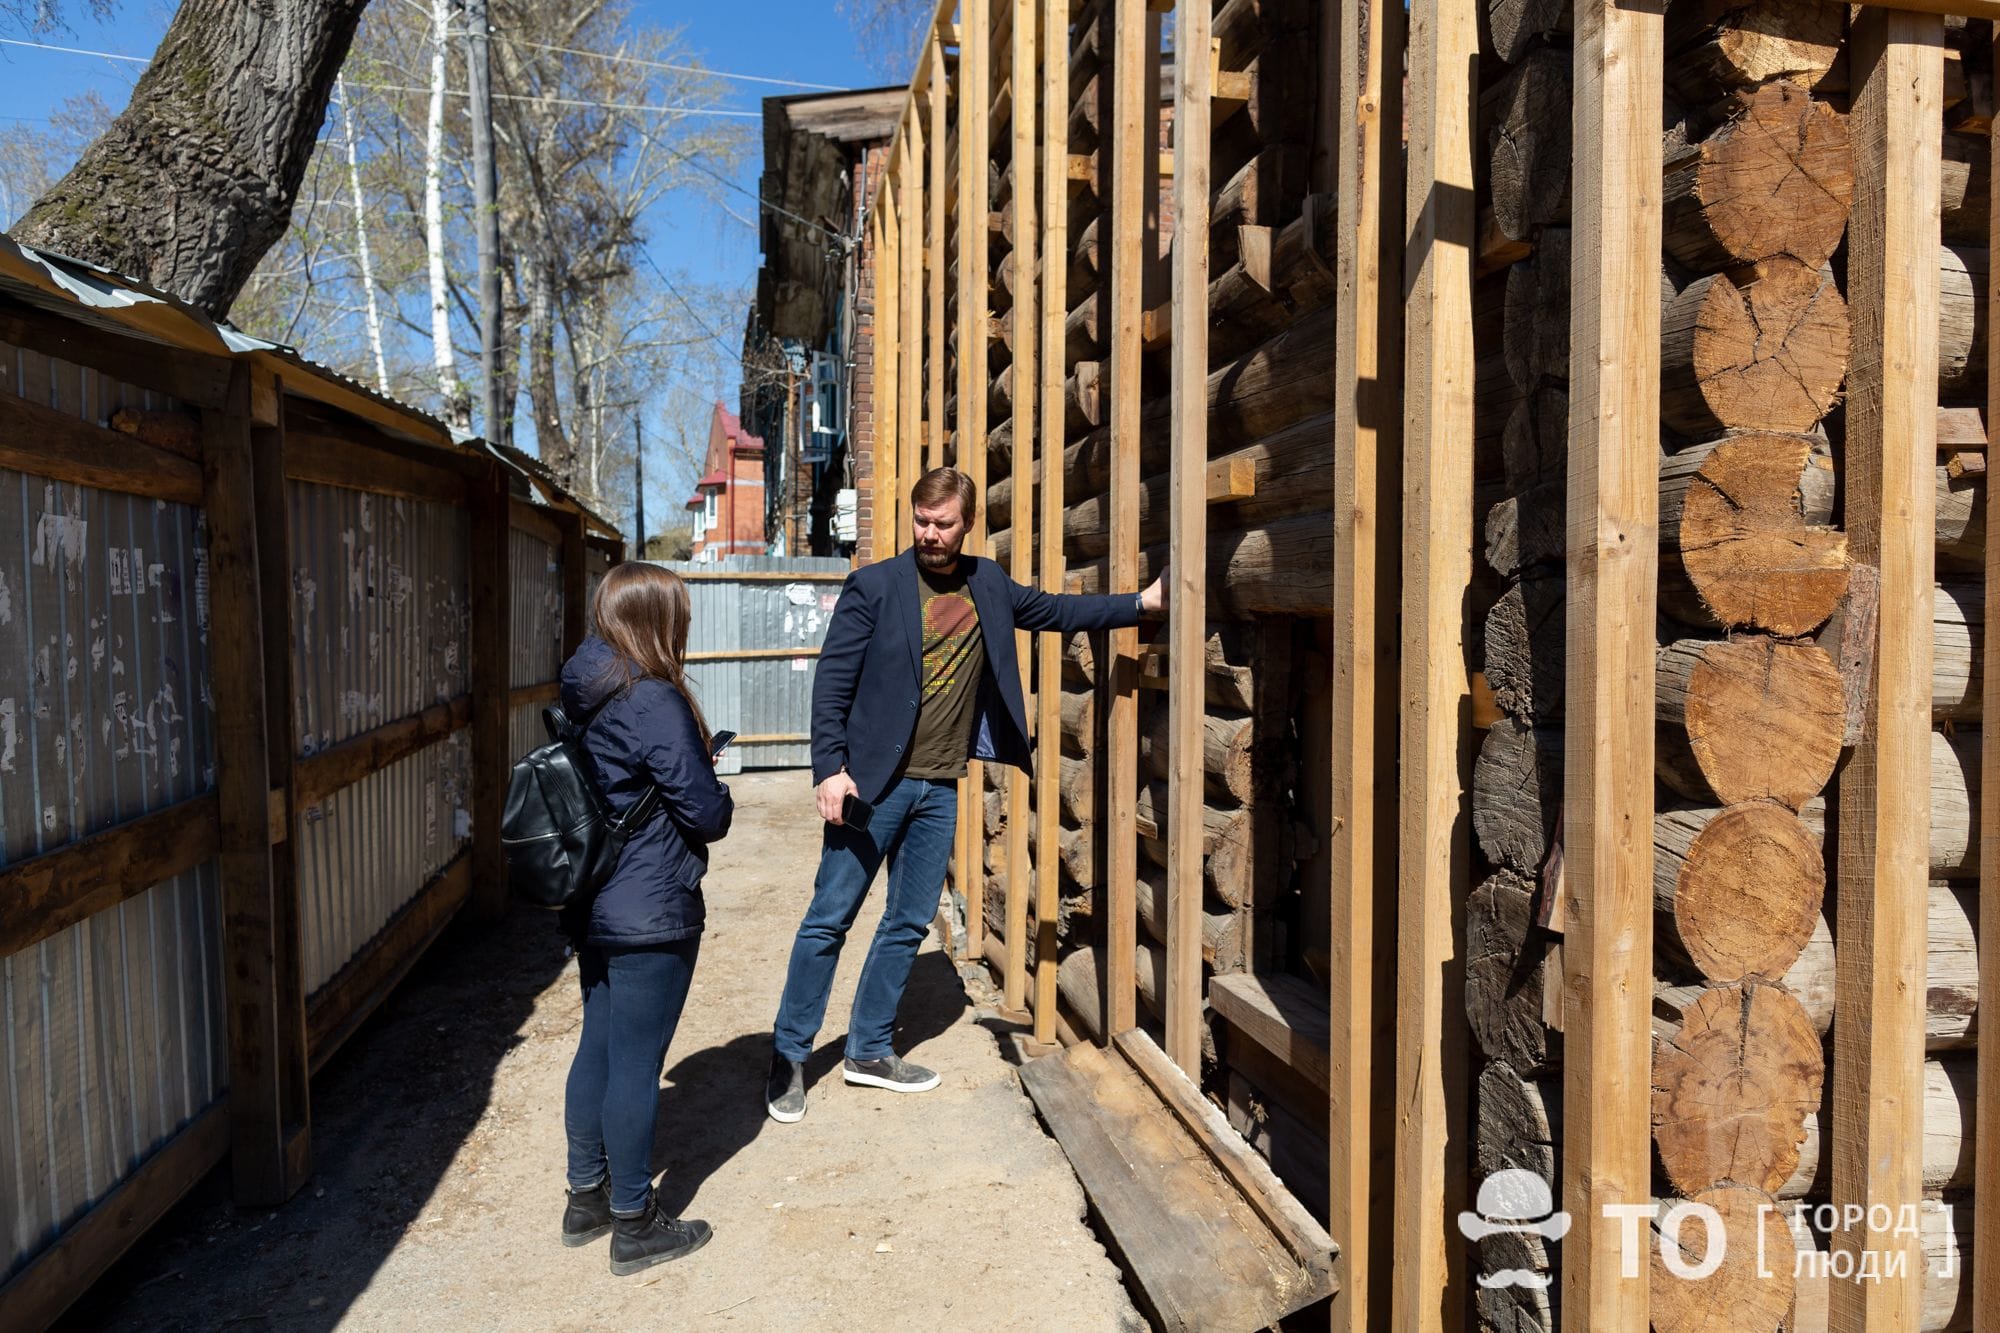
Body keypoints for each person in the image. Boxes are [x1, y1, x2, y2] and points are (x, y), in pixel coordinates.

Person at [765, 466, 1165, 1122]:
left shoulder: (989, 585)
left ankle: (868, 1050)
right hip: (871, 785)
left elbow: (1060, 611)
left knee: (906, 922)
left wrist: (1142, 606)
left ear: (967, 524)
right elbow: (831, 685)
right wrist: (828, 769)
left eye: (942, 523)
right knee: (829, 917)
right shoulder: (874, 586)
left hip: (939, 787)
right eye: (921, 521)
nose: (929, 533)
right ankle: (787, 1054)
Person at [555, 562, 734, 1276]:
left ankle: (586, 1196)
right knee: (635, 1061)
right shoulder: (651, 696)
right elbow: (705, 813)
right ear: (659, 618)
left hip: (595, 894)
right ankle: (635, 1221)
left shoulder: (585, 681)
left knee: (598, 1044)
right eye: (678, 614)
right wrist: (711, 777)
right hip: (649, 906)